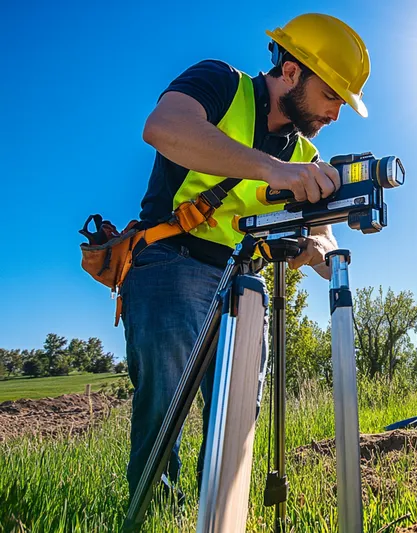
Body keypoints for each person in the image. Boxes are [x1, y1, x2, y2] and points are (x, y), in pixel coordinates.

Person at [121, 13, 371, 502]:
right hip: (172, 261)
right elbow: (163, 127)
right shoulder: (220, 82)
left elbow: (321, 241)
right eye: (331, 96)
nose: (335, 114)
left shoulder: (304, 155)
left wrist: (318, 250)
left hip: (245, 284)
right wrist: (275, 170)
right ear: (293, 71)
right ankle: (155, 509)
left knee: (236, 416)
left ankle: (216, 512)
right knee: (164, 410)